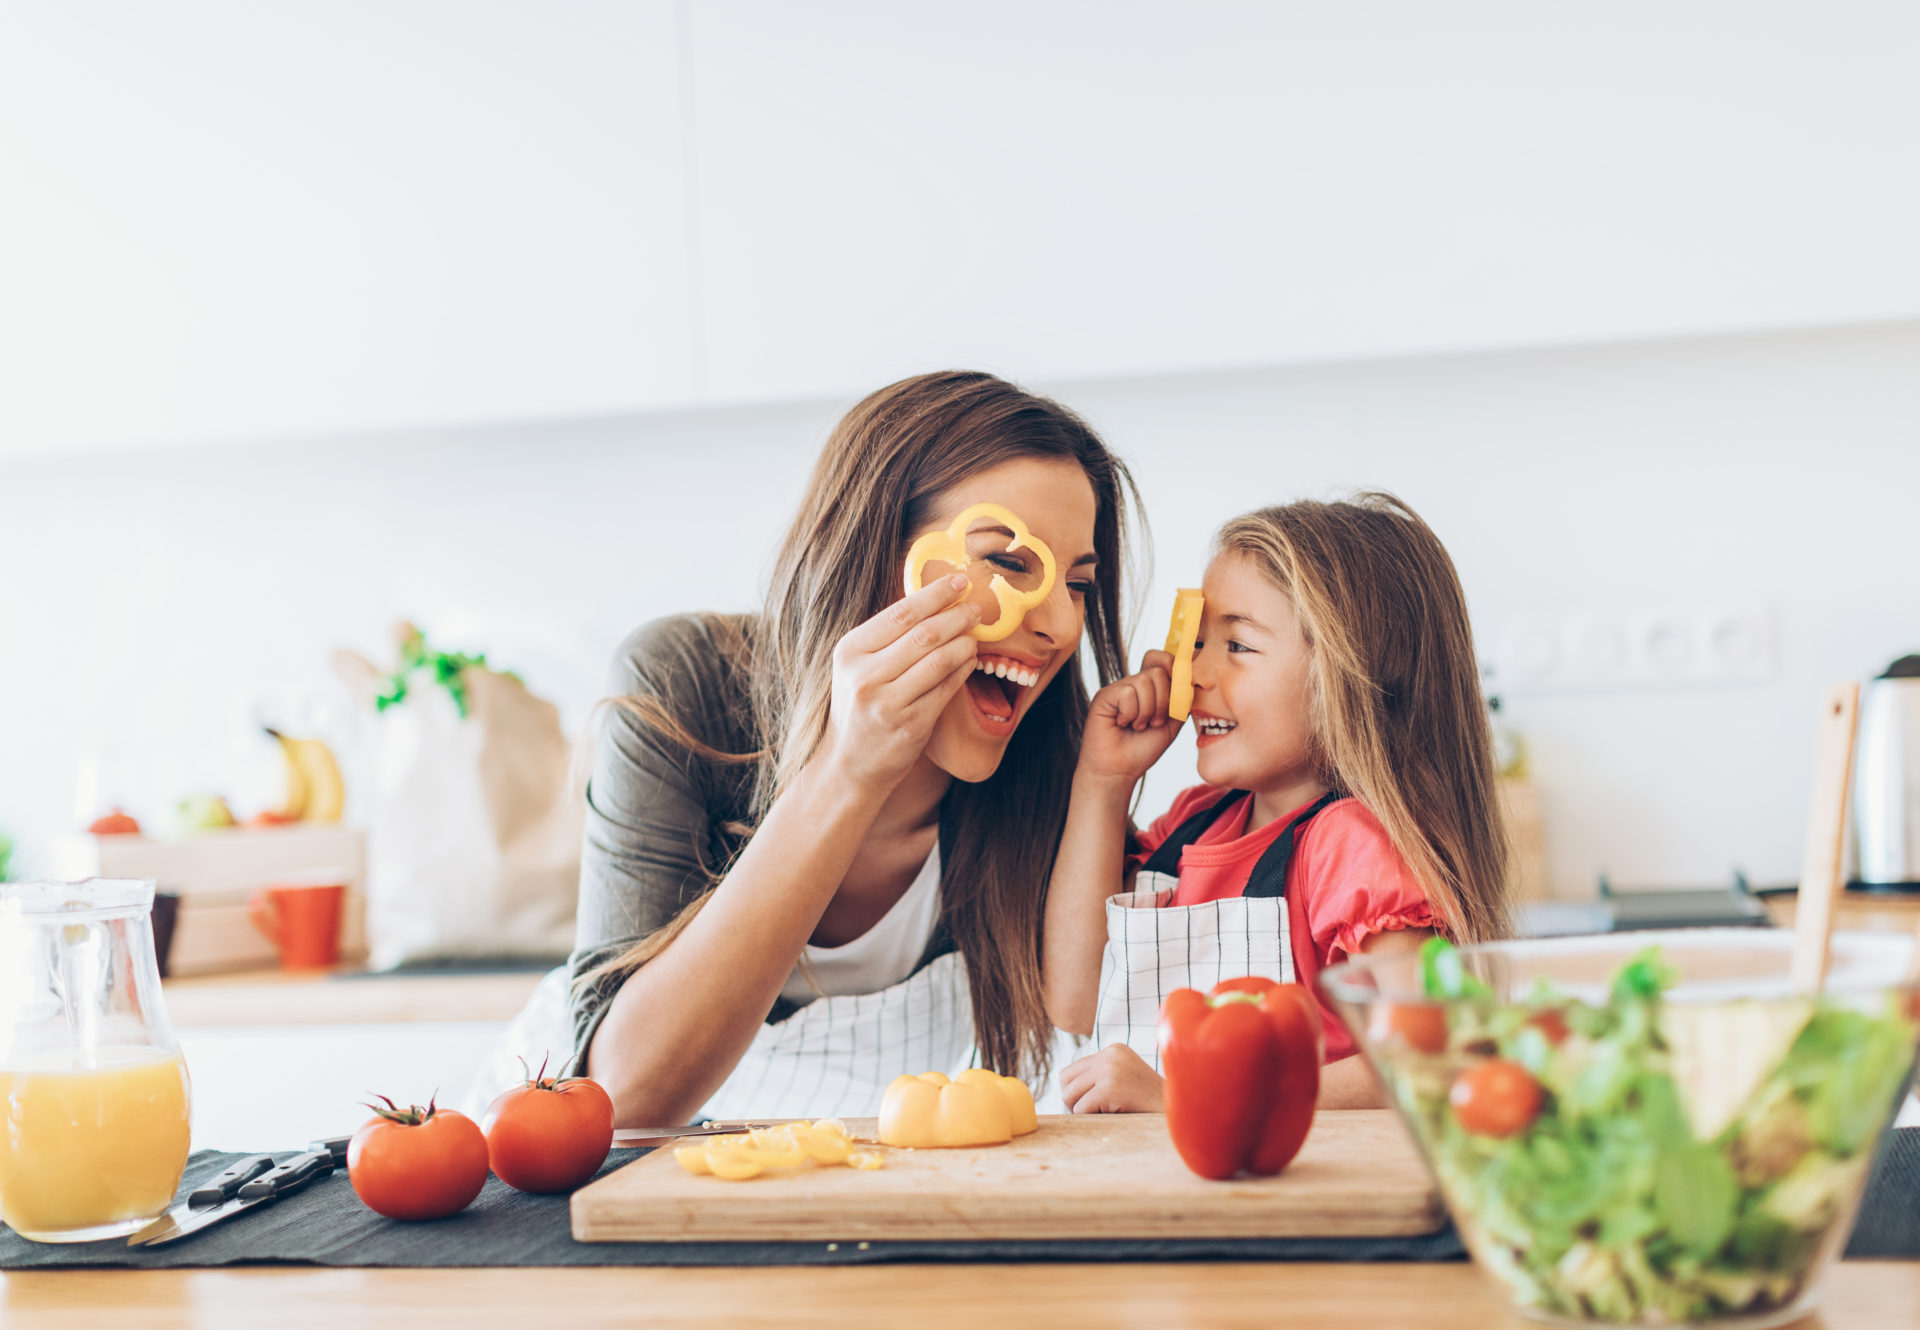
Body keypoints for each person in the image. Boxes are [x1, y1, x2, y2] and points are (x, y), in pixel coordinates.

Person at [564, 371, 1141, 1127]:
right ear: (874, 552)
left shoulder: (1057, 765)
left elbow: (1088, 1019)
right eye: (1007, 563)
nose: (1061, 627)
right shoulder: (683, 681)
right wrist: (848, 769)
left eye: (1079, 584)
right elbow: (624, 1101)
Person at [1040, 492, 1511, 1112]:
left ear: (1347, 678)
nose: (1195, 675)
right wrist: (1103, 782)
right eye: (1198, 643)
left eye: (1236, 645)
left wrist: (1194, 1096)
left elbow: (1430, 1056)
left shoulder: (1350, 845)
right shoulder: (1193, 824)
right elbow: (1076, 1000)